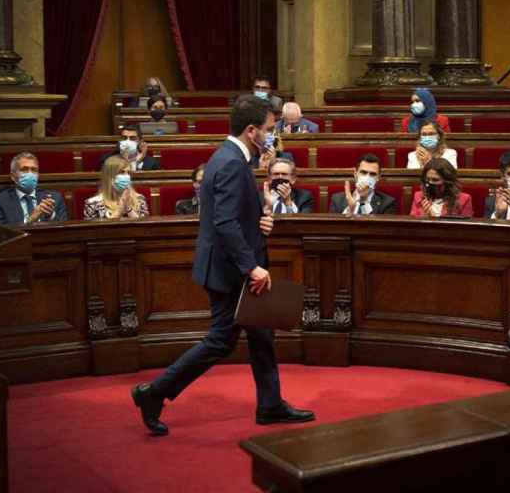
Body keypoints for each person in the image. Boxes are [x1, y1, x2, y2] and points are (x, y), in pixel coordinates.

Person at [130, 94, 314, 437]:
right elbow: (225, 223)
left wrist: (260, 220)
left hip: (235, 265)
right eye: (269, 130)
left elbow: (232, 217)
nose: (272, 136)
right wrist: (252, 268)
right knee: (220, 341)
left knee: (262, 334)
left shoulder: (231, 156)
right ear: (250, 131)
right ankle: (153, 392)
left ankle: (270, 405)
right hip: (232, 272)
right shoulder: (231, 162)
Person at [0, 152, 68, 226]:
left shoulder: (55, 198)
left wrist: (51, 216)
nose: (30, 174)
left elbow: (65, 230)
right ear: (13, 176)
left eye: (34, 170)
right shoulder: (0, 201)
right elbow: (1, 233)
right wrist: (29, 221)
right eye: (24, 170)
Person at [329, 153, 398, 215]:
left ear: (378, 177)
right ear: (355, 174)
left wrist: (363, 201)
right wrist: (350, 210)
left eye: (372, 174)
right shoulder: (337, 199)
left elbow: (379, 228)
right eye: (363, 172)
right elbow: (332, 227)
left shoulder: (387, 203)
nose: (367, 177)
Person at [84, 156, 149, 220]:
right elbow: (97, 230)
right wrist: (119, 210)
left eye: (128, 172)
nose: (126, 176)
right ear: (110, 176)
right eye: (122, 172)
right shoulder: (93, 204)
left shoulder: (139, 200)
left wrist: (128, 208)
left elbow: (145, 227)